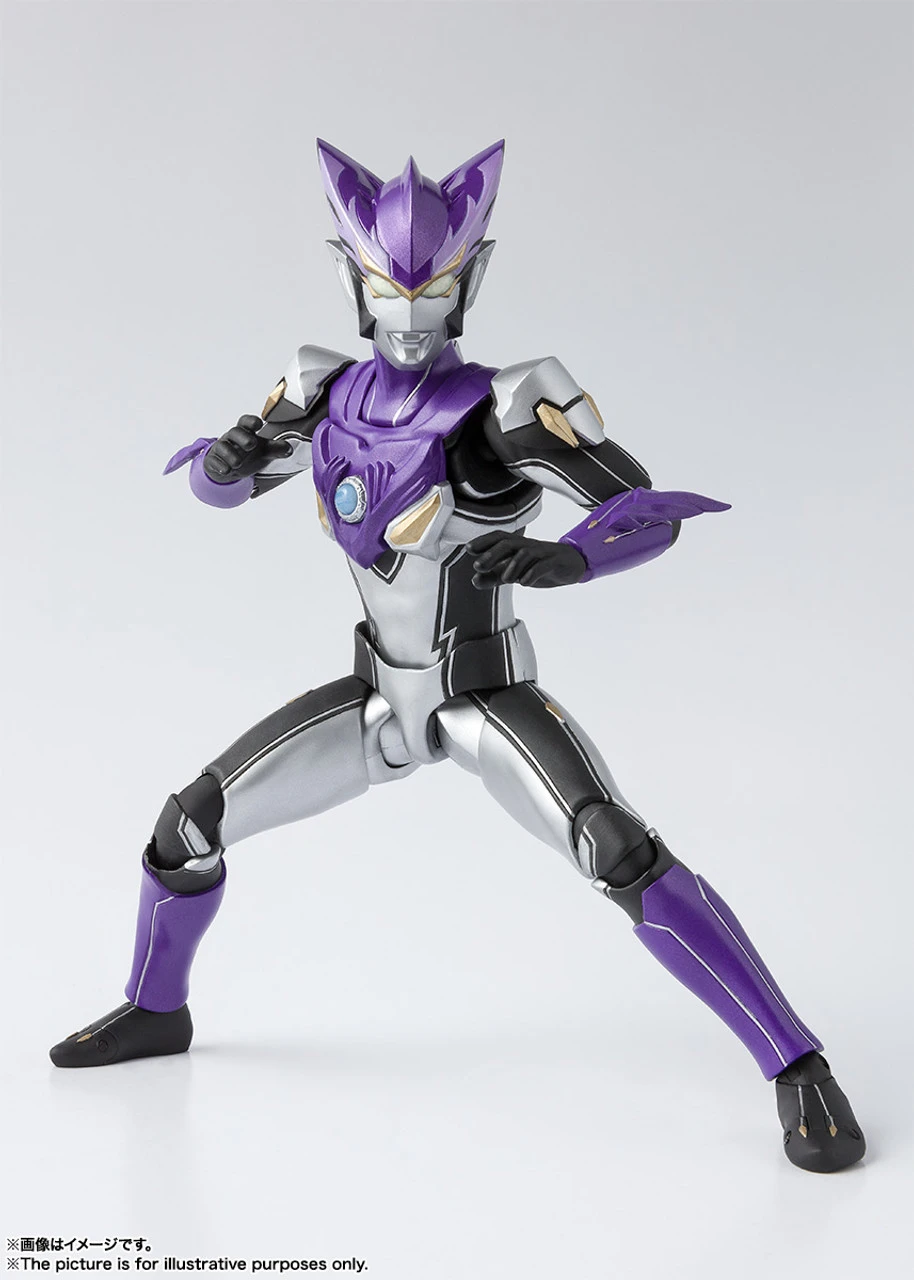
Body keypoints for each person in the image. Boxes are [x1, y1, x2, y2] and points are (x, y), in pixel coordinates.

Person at [50, 139, 864, 1174]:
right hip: (376, 696)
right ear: (352, 281)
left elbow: (646, 510)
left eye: (430, 289)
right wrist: (224, 457)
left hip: (482, 693)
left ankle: (797, 1063)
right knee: (185, 830)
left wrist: (570, 556)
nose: (408, 311)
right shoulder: (321, 389)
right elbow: (223, 487)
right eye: (389, 288)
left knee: (615, 848)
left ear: (468, 282)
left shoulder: (504, 404)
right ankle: (155, 1009)